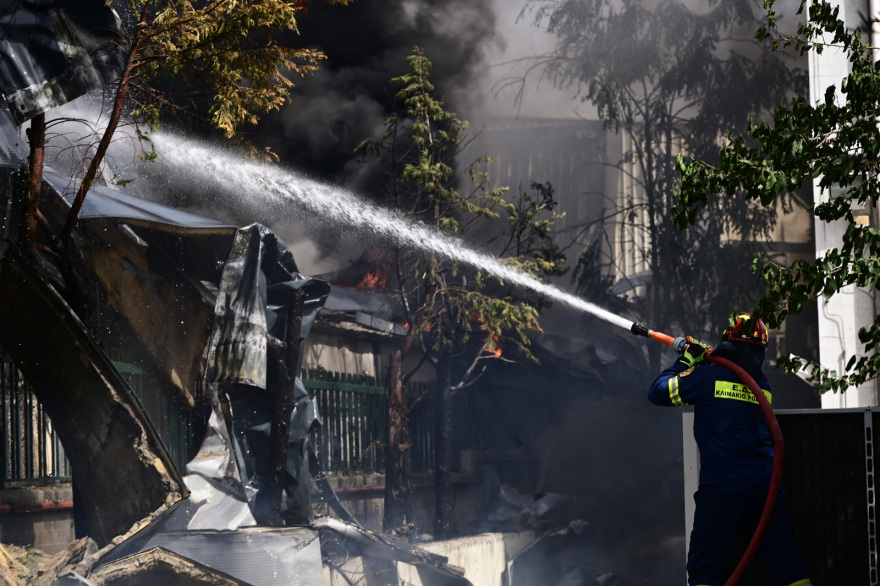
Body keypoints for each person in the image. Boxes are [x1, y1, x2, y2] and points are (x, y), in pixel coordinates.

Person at [648, 313, 811, 586]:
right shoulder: (762, 384)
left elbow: (657, 392)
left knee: (706, 570)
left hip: (723, 490)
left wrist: (688, 359)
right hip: (765, 489)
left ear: (728, 342)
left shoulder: (706, 377)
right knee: (788, 565)